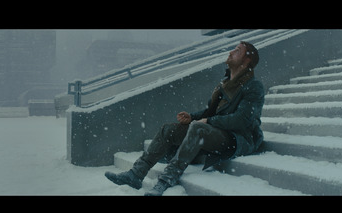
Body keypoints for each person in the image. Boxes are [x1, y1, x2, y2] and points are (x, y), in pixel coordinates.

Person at [105, 41, 265, 196]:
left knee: (199, 128)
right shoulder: (226, 83)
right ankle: (136, 174)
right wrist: (192, 117)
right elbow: (211, 111)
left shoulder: (253, 87)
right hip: (219, 131)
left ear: (246, 60)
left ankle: (167, 179)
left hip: (239, 138)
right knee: (168, 130)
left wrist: (208, 122)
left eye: (237, 51)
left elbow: (242, 120)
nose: (230, 52)